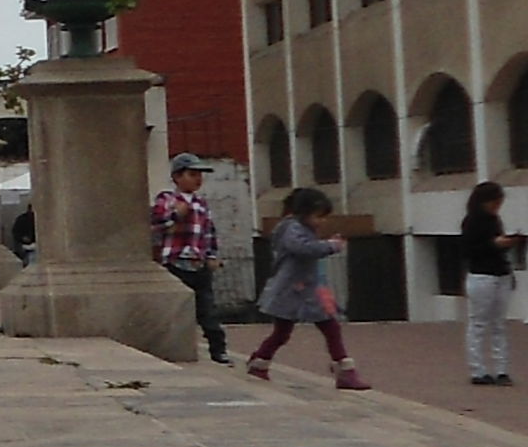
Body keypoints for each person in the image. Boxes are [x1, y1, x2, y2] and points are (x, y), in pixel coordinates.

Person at [247, 186, 367, 389]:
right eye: (318, 216)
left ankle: (343, 368)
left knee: (329, 327)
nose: (321, 221)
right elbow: (301, 248)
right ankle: (260, 361)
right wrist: (330, 246)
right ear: (304, 212)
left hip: (308, 290)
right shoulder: (292, 228)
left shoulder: (300, 228)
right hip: (292, 290)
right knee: (284, 332)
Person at [150, 154, 229, 362]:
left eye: (199, 175)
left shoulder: (201, 204)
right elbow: (156, 225)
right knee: (176, 308)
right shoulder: (166, 200)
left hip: (198, 263)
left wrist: (211, 255)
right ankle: (170, 346)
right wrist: (176, 215)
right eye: (192, 174)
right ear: (177, 177)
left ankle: (218, 349)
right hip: (174, 263)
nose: (197, 180)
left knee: (207, 309)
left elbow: (208, 233)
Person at [458, 179, 518, 385]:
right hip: (481, 274)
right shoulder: (471, 221)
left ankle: (502, 369)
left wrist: (505, 245)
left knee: (499, 323)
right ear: (484, 201)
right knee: (479, 322)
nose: (497, 206)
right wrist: (494, 244)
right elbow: (468, 251)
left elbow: (496, 248)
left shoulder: (495, 220)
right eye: (494, 201)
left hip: (500, 273)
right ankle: (477, 369)